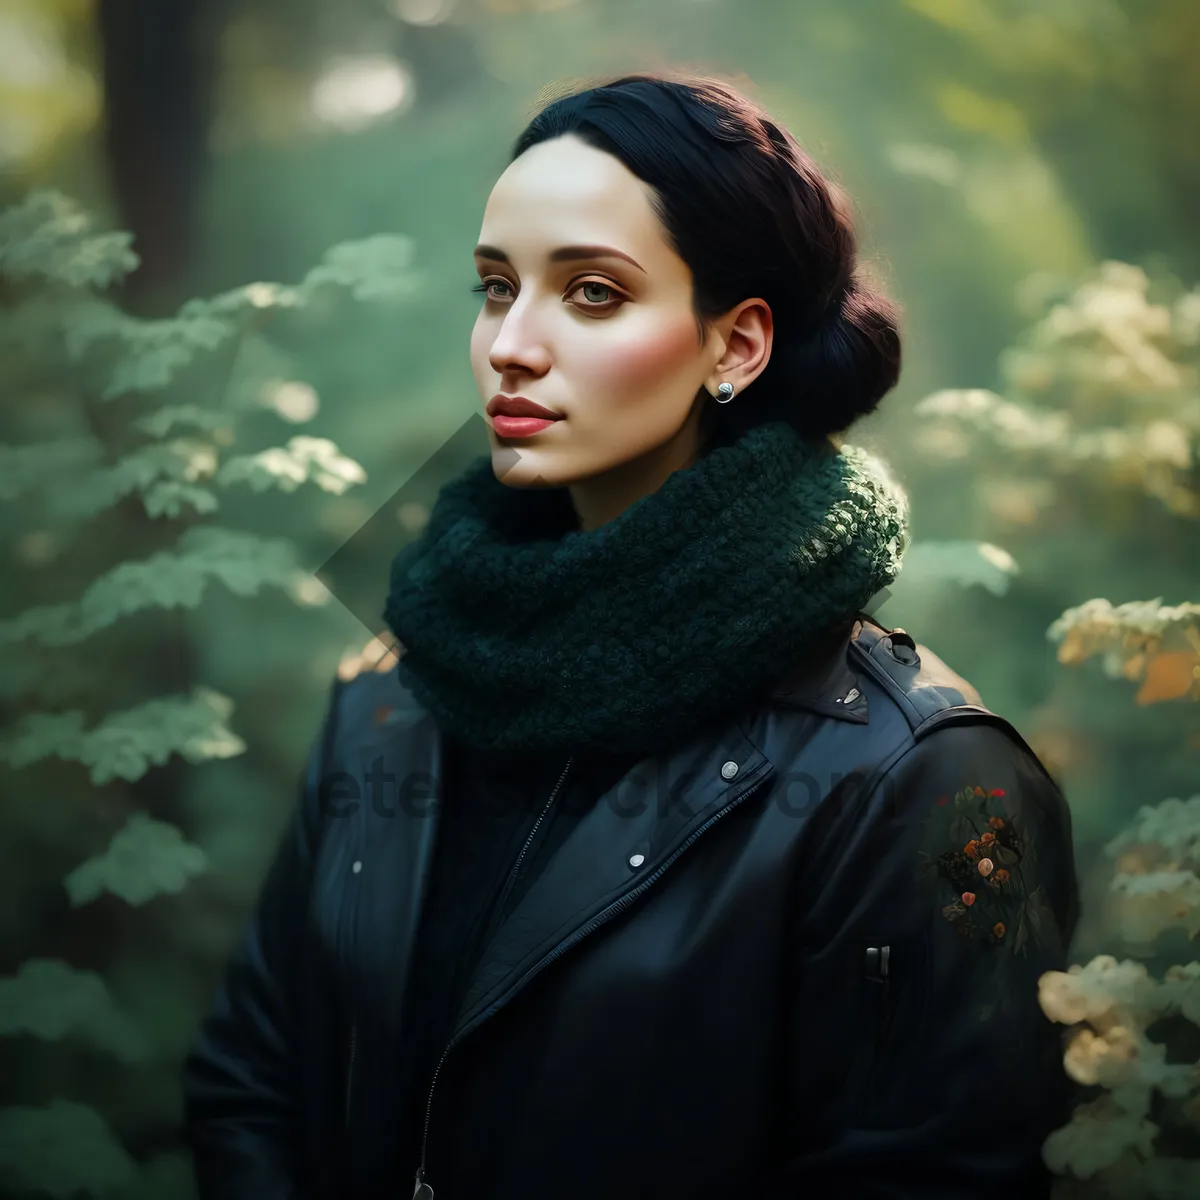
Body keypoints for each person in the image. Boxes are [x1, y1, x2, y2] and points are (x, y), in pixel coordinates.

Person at [181, 70, 1081, 1200]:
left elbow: (939, 1175)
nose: (511, 344)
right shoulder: (389, 696)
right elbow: (253, 1082)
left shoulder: (923, 773)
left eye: (592, 294)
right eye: (495, 287)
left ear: (736, 345)